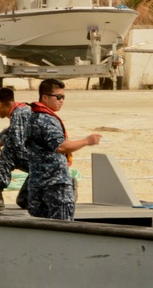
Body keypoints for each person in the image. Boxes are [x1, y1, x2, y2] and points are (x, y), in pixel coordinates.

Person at [25, 78, 101, 221]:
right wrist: (87, 141)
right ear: (45, 97)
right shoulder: (46, 120)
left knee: (41, 227)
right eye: (58, 97)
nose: (61, 101)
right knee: (63, 227)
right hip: (55, 184)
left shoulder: (32, 117)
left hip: (37, 183)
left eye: (63, 97)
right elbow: (61, 147)